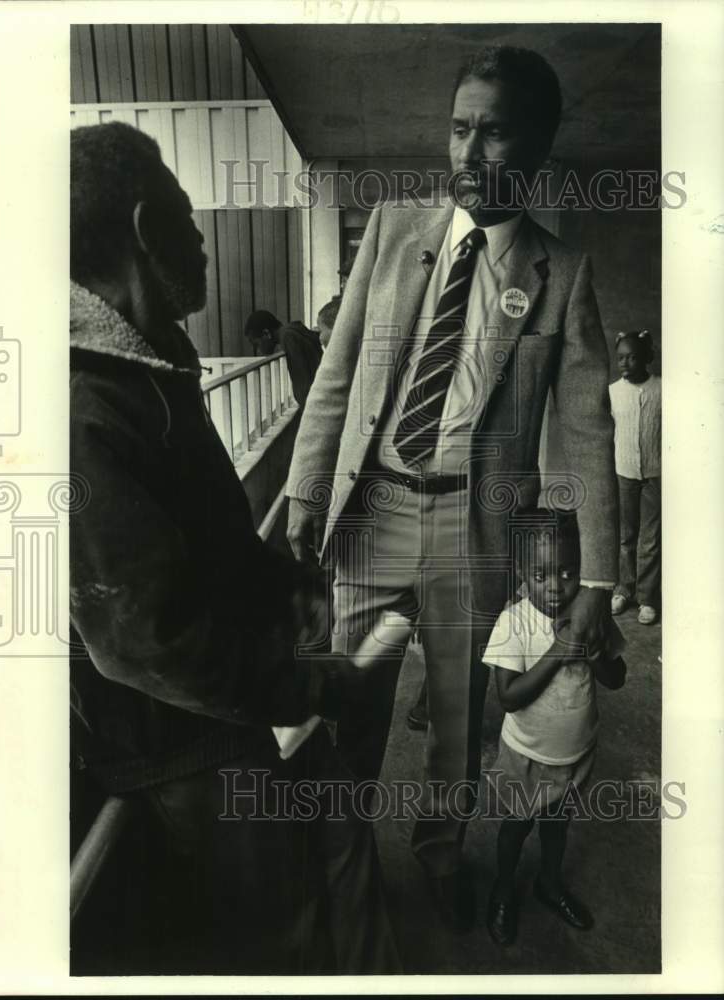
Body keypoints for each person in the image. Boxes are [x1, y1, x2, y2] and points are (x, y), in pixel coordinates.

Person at [286, 45, 618, 933]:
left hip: (471, 527)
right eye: (458, 128)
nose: (468, 155)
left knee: (455, 718)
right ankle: (340, 862)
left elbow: (588, 431)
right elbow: (336, 371)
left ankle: (438, 858)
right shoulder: (394, 230)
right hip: (372, 511)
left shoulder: (561, 275)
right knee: (342, 701)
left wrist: (597, 583)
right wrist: (304, 490)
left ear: (539, 147)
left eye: (495, 133)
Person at [70, 121, 399, 974]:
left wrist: (284, 584)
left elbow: (211, 532)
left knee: (333, 850)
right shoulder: (83, 405)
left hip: (235, 705)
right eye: (187, 212)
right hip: (182, 746)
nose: (203, 233)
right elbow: (146, 642)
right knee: (277, 926)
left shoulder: (154, 364)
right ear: (147, 230)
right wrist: (305, 683)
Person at [482, 507, 626, 946]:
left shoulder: (589, 613)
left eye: (568, 572)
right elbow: (508, 696)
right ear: (522, 573)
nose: (557, 586)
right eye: (541, 575)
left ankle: (548, 882)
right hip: (527, 755)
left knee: (557, 824)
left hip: (575, 751)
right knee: (516, 826)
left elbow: (616, 678)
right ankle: (503, 889)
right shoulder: (515, 622)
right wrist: (560, 650)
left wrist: (594, 648)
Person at [608, 330, 661, 624]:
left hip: (655, 474)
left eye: (631, 357)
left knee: (650, 539)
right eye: (620, 358)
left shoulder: (662, 389)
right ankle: (623, 589)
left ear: (645, 358)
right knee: (626, 535)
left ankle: (647, 598)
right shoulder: (613, 392)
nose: (625, 363)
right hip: (624, 473)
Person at [244, 309, 322, 407]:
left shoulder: (288, 337)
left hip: (316, 404)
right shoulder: (293, 331)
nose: (258, 350)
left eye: (257, 344)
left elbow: (303, 383)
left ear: (266, 334)